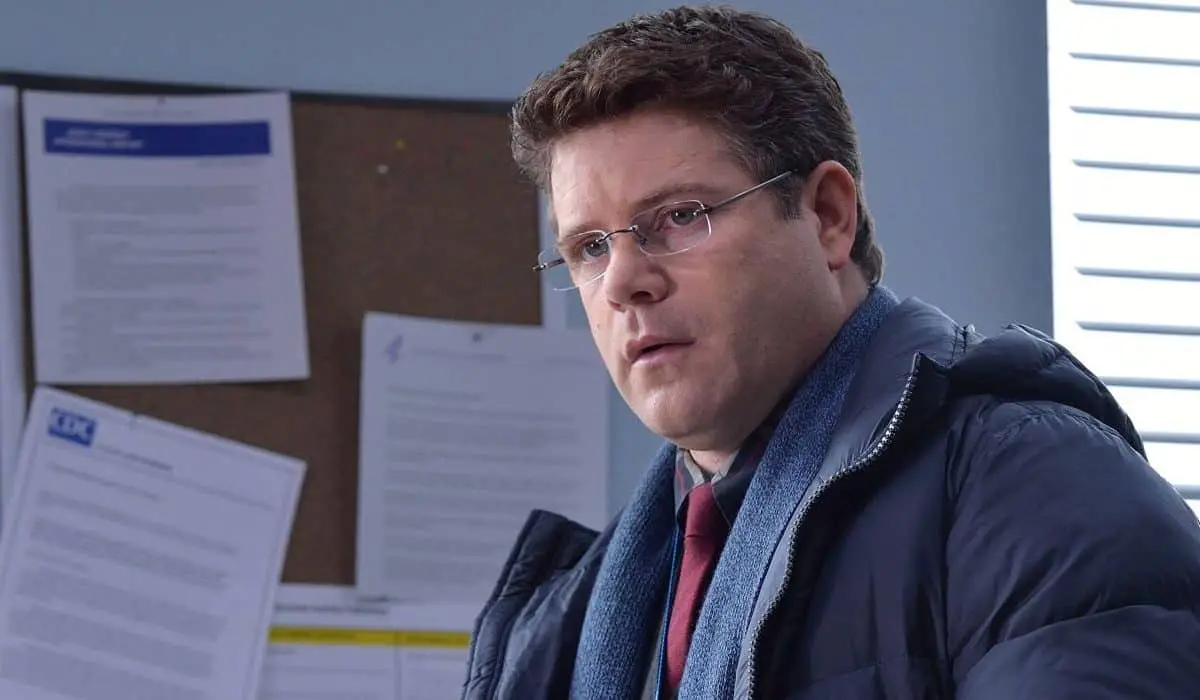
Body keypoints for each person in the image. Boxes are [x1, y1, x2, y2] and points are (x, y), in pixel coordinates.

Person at [460, 5, 1200, 699]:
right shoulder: (582, 604)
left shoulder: (1037, 486)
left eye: (680, 216)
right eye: (590, 247)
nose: (623, 281)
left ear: (827, 216)